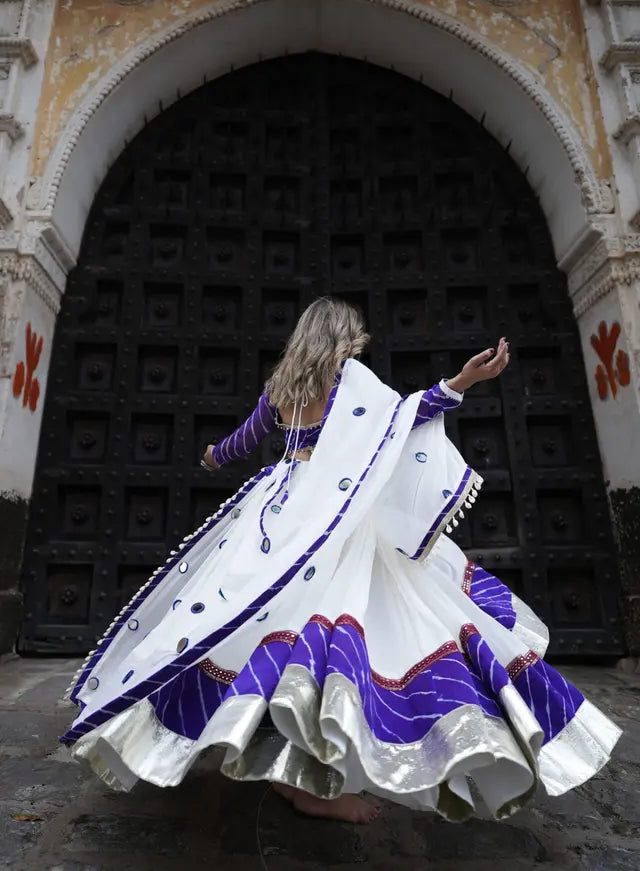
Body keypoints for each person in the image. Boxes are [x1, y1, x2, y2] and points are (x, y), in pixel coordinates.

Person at [61, 297, 620, 825]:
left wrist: (211, 456)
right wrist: (465, 381)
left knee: (248, 623)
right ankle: (314, 774)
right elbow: (406, 415)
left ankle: (284, 758)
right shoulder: (349, 382)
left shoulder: (280, 386)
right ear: (343, 339)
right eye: (354, 338)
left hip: (280, 512)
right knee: (367, 628)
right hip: (336, 519)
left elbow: (243, 440)